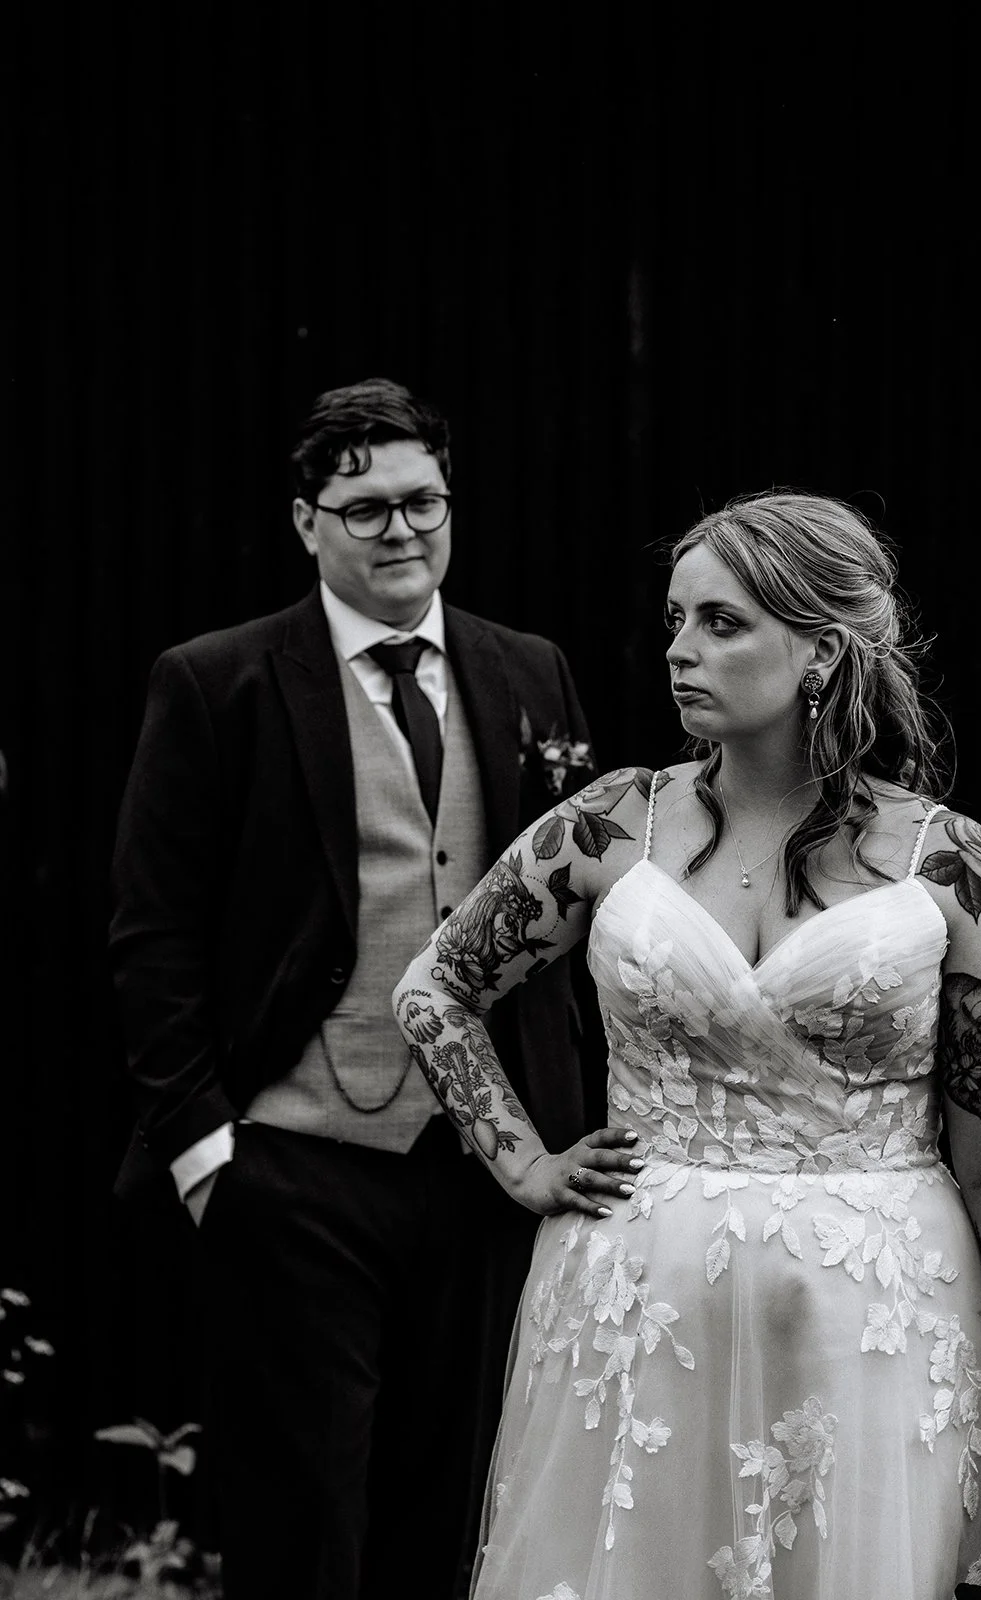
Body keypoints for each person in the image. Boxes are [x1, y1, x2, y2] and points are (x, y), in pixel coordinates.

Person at [392, 489, 981, 1600]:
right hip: (637, 1314)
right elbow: (436, 987)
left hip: (872, 1322)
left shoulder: (948, 867)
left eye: (720, 623)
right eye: (672, 620)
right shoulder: (612, 825)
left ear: (820, 651)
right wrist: (523, 1163)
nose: (678, 651)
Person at [107, 377, 616, 1600]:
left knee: (448, 1510)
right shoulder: (218, 679)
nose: (401, 531)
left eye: (422, 503)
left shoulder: (526, 668)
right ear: (305, 522)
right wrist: (202, 1155)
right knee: (300, 1518)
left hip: (488, 1166)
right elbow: (152, 930)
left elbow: (587, 910)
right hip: (294, 1161)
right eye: (366, 507)